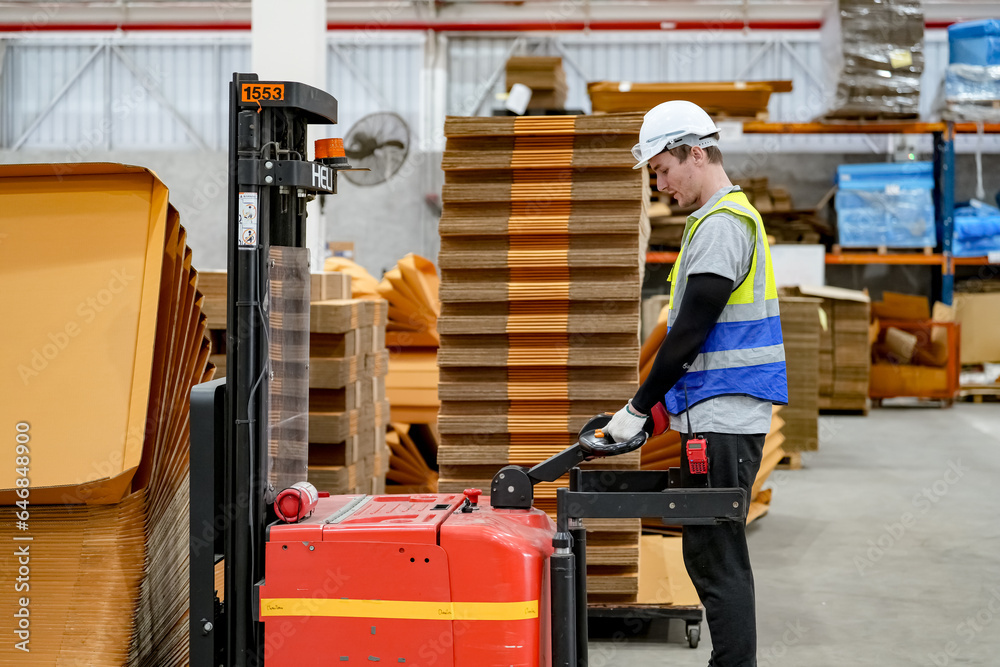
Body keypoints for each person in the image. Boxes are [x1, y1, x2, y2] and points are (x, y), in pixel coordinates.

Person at [605, 100, 788, 667]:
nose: (660, 184)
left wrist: (638, 407)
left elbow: (688, 333)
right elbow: (703, 346)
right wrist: (656, 416)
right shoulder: (717, 222)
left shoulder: (722, 226)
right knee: (712, 552)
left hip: (725, 421)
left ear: (698, 153)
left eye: (662, 169)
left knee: (716, 557)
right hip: (716, 413)